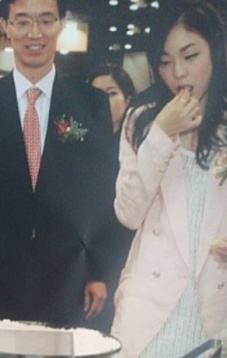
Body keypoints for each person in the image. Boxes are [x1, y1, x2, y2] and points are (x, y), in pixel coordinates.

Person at [111, 0, 227, 358]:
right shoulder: (141, 119)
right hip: (148, 313)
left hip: (219, 310)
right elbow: (128, 213)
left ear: (215, 51)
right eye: (165, 61)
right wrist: (162, 132)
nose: (178, 73)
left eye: (190, 56)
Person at [0, 0, 115, 327]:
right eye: (22, 21)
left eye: (46, 20)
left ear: (61, 23)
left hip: (69, 281)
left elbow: (103, 193)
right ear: (5, 26)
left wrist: (98, 270)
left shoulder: (91, 105)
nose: (35, 33)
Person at [87, 63, 136, 331]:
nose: (103, 101)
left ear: (128, 99)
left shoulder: (137, 146)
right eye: (96, 94)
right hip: (83, 263)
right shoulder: (78, 145)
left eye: (111, 93)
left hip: (122, 257)